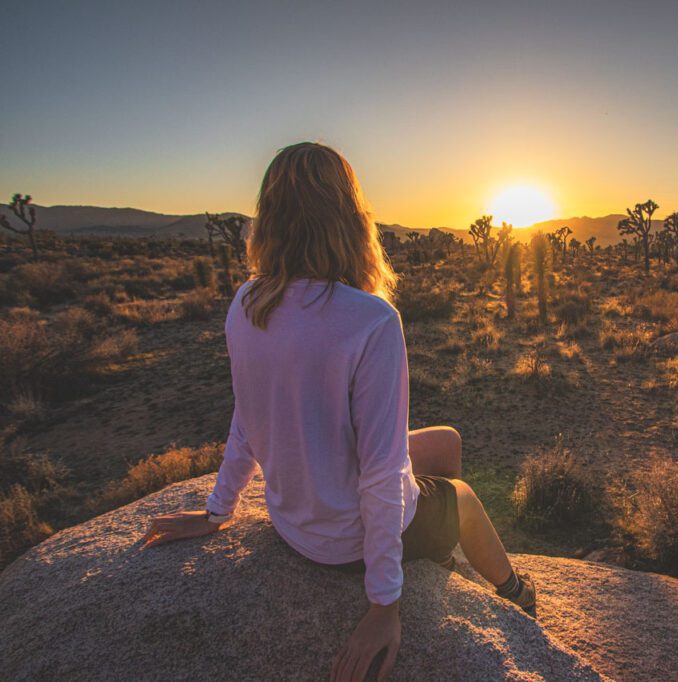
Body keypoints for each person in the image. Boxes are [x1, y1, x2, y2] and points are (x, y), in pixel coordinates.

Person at [141, 142, 535, 682]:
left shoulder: (247, 302)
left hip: (293, 522)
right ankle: (516, 591)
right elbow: (378, 473)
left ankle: (438, 558)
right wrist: (384, 604)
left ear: (271, 217)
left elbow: (246, 418)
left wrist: (218, 511)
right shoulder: (371, 320)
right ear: (350, 216)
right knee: (463, 495)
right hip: (345, 543)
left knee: (445, 442)